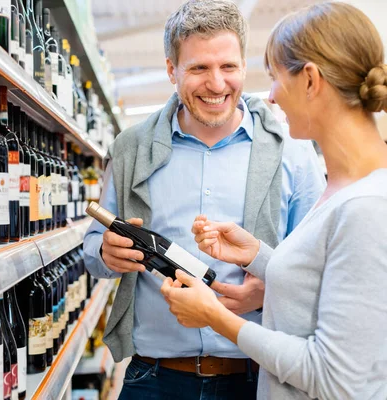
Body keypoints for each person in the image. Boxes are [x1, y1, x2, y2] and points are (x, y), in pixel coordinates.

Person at [83, 0, 326, 398]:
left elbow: (317, 268)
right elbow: (92, 251)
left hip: (257, 378)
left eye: (228, 67)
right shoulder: (131, 151)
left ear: (244, 67)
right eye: (199, 68)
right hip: (154, 380)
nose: (217, 84)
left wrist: (270, 289)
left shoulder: (292, 154)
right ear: (171, 70)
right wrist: (107, 254)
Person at [161, 2, 387, 399]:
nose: (271, 96)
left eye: (276, 77)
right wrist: (257, 256)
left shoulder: (366, 206)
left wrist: (215, 317)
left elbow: (334, 377)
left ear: (311, 81)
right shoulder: (343, 189)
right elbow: (323, 282)